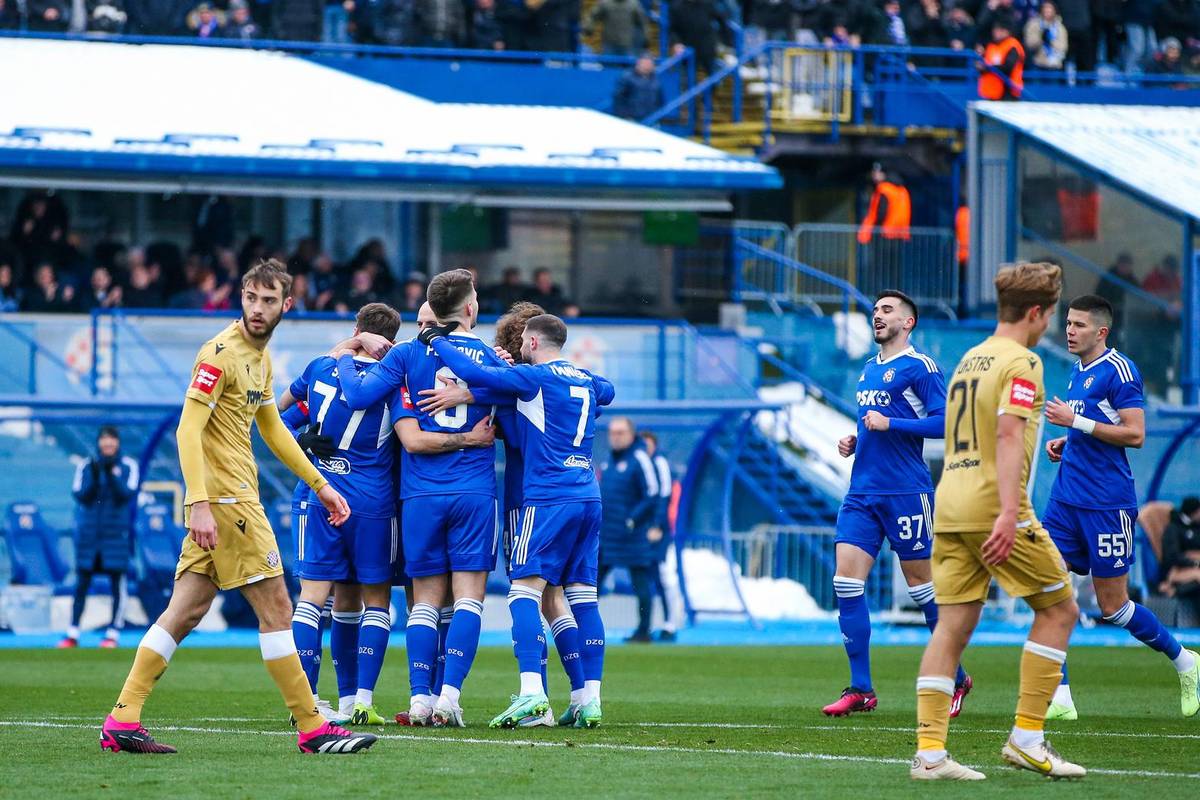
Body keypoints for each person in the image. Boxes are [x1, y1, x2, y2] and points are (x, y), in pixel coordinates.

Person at [98, 260, 373, 756]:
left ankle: (123, 718)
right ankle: (312, 728)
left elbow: (272, 430)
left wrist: (321, 484)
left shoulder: (260, 360)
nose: (257, 309)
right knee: (278, 610)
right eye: (250, 297)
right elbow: (187, 429)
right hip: (227, 503)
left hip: (227, 501)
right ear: (241, 297)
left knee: (184, 611)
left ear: (286, 305)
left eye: (268, 300)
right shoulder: (220, 354)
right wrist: (198, 503)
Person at [910, 261, 1083, 781]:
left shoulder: (970, 358)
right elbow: (1009, 433)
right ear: (1035, 312)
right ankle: (1028, 738)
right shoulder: (1022, 362)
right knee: (1060, 610)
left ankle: (930, 754)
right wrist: (1010, 511)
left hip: (951, 504)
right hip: (992, 506)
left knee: (952, 628)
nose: (1051, 324)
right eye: (1051, 314)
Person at [420, 313, 615, 729]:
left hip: (543, 499)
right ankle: (587, 697)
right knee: (578, 597)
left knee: (523, 592)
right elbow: (608, 391)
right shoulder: (584, 379)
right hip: (587, 495)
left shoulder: (532, 381)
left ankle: (532, 694)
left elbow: (473, 374)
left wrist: (438, 342)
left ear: (529, 342)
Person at [333, 270, 506, 728]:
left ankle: (419, 702)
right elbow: (524, 400)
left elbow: (356, 395)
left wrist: (348, 351)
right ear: (470, 308)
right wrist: (478, 392)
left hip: (421, 495)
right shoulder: (491, 358)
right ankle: (449, 699)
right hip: (474, 491)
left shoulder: (408, 354)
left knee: (424, 601)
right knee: (469, 598)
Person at [1040, 295, 1198, 721]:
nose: (1069, 330)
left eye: (1077, 325)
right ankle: (1060, 696)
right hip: (1065, 500)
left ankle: (1186, 661)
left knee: (1114, 607)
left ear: (1101, 331)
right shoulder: (1077, 372)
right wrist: (1068, 441)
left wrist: (1075, 425)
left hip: (1106, 504)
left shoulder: (1120, 370)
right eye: (1067, 323)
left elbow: (1134, 434)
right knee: (1044, 584)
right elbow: (1093, 429)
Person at [823, 291, 971, 717]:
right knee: (846, 584)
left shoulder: (921, 367)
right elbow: (875, 423)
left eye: (886, 311)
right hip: (862, 492)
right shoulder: (869, 369)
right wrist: (857, 439)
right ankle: (861, 689)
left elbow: (946, 423)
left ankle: (958, 676)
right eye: (875, 311)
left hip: (907, 492)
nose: (877, 316)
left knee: (922, 589)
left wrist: (891, 424)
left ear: (908, 322)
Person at [58, 427, 139, 650]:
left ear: (117, 443)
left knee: (117, 586)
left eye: (112, 440)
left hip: (116, 536)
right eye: (104, 440)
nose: (108, 444)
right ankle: (72, 632)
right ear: (99, 443)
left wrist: (112, 474)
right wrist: (95, 475)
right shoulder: (86, 465)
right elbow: (80, 495)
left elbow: (126, 494)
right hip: (90, 536)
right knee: (81, 584)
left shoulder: (128, 466)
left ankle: (113, 633)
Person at [599, 417, 659, 643]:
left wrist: (633, 520)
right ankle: (580, 628)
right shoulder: (608, 462)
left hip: (632, 536)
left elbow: (652, 493)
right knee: (590, 584)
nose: (615, 437)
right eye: (613, 432)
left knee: (641, 583)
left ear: (631, 435)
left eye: (621, 432)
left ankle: (643, 631)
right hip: (608, 535)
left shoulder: (640, 458)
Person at [640, 430, 682, 642]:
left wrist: (658, 525)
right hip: (644, 530)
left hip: (660, 531)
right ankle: (649, 625)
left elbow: (665, 496)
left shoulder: (660, 464)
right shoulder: (640, 465)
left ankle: (671, 623)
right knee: (649, 576)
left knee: (664, 575)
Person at [1160, 497, 1200, 620]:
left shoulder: (1196, 528)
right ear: (1194, 511)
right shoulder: (1173, 529)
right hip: (1177, 570)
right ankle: (1172, 589)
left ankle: (1174, 589)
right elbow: (1171, 557)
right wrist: (1194, 562)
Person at [976, 16, 1024, 100]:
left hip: (1008, 93)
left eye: (999, 30)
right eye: (995, 30)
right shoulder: (991, 46)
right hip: (991, 93)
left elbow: (1008, 67)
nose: (995, 32)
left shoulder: (1013, 46)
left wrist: (988, 68)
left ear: (1006, 32)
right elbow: (984, 64)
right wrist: (980, 66)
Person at [584, 0, 648, 56]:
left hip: (627, 45)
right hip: (609, 44)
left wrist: (645, 37)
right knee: (609, 67)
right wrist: (589, 27)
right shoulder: (605, 3)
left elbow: (642, 22)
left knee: (628, 68)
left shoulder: (633, 4)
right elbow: (593, 16)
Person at [612, 54, 664, 121]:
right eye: (645, 63)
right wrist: (625, 116)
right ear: (638, 64)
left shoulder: (656, 80)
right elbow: (618, 98)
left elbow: (660, 99)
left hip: (651, 119)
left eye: (649, 64)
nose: (647, 66)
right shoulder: (627, 77)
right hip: (632, 120)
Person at [1024, 1, 1067, 69]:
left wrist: (1050, 41)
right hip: (1037, 63)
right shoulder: (1033, 24)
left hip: (1054, 64)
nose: (1047, 10)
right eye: (1045, 8)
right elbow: (1029, 44)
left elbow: (1063, 47)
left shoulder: (1060, 27)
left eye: (1050, 8)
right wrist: (1041, 39)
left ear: (1054, 10)